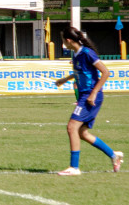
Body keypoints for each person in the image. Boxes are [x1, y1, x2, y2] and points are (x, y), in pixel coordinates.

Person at [53, 26, 123, 176]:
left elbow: (105, 72)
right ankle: (113, 155)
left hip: (91, 96)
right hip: (86, 95)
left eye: (63, 40)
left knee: (72, 127)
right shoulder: (76, 55)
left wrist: (94, 93)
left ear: (69, 41)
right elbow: (81, 72)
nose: (63, 43)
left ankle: (74, 167)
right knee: (82, 133)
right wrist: (65, 79)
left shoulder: (87, 53)